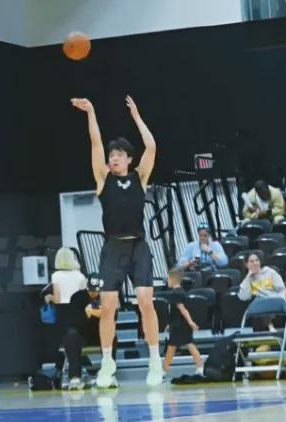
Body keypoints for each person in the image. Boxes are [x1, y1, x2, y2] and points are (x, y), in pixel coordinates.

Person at [71, 95, 162, 387]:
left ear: (129, 159)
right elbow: (95, 142)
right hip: (112, 248)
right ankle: (107, 363)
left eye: (119, 154)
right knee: (108, 307)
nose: (113, 158)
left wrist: (136, 116)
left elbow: (151, 146)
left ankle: (155, 361)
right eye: (112, 155)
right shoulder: (103, 179)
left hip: (138, 247)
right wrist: (91, 112)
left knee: (145, 302)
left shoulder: (139, 177)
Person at [63, 278, 110, 390]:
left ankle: (108, 373)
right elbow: (73, 320)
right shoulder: (77, 297)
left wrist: (92, 312)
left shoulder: (107, 296)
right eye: (91, 290)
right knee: (71, 336)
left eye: (96, 291)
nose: (94, 293)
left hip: (100, 332)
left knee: (111, 335)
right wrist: (91, 314)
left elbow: (111, 316)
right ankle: (75, 377)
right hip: (82, 332)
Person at [162, 269, 204, 377]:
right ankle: (200, 366)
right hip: (178, 324)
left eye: (168, 278)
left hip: (179, 325)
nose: (167, 281)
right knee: (186, 345)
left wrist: (190, 322)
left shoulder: (176, 293)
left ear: (172, 279)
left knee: (173, 348)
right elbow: (174, 311)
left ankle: (163, 371)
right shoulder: (181, 292)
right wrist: (169, 324)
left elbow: (182, 309)